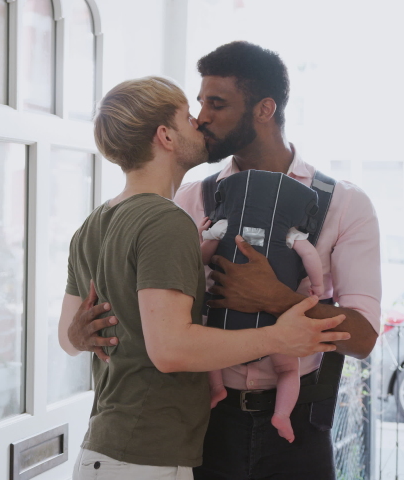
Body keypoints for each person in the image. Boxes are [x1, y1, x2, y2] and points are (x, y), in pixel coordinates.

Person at [58, 76, 351, 480]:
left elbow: (67, 338)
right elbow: (171, 350)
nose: (199, 122)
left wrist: (79, 335)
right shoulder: (166, 220)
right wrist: (278, 338)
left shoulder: (92, 225)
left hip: (110, 448)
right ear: (165, 136)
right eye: (186, 116)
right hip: (145, 455)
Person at [198, 169, 326, 443]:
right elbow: (310, 256)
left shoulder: (224, 224)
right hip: (276, 322)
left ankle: (217, 387)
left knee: (210, 352)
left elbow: (204, 257)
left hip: (227, 318)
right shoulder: (291, 231)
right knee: (288, 369)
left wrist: (201, 241)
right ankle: (282, 414)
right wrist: (318, 286)